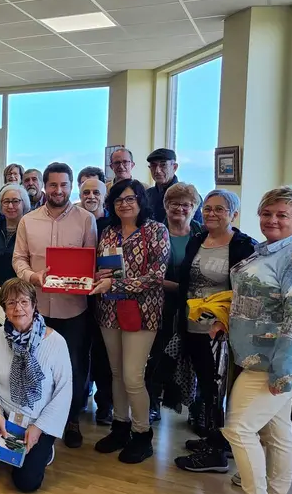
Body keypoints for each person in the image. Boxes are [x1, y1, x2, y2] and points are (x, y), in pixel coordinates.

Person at [219, 186, 292, 494]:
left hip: (275, 362)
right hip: (259, 357)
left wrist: (283, 371)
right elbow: (260, 301)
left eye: (282, 215)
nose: (272, 220)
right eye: (267, 213)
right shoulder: (272, 250)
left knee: (239, 430)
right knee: (278, 433)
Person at [0, 278, 72, 493]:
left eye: (23, 302)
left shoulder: (56, 342)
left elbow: (64, 392)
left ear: (34, 305)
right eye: (11, 303)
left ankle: (43, 449)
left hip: (38, 419)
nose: (18, 308)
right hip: (4, 410)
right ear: (4, 309)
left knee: (26, 484)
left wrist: (38, 428)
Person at [13, 162, 96, 449]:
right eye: (53, 185)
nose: (58, 190)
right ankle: (38, 420)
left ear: (71, 186)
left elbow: (92, 263)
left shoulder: (86, 220)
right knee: (37, 367)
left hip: (74, 309)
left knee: (72, 368)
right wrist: (32, 276)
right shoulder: (28, 220)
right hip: (38, 310)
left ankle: (70, 420)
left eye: (63, 185)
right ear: (45, 186)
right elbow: (18, 259)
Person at [173, 189, 256, 473]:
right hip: (193, 325)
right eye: (207, 208)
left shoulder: (244, 245)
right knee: (205, 388)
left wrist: (225, 322)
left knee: (217, 388)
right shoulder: (198, 239)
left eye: (219, 209)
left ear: (233, 214)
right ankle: (213, 438)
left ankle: (217, 453)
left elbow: (247, 292)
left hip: (221, 332)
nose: (211, 214)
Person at [90, 179, 169, 464]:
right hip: (109, 311)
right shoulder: (108, 232)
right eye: (119, 199)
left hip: (142, 313)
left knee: (133, 376)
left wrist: (115, 284)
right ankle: (120, 426)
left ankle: (142, 434)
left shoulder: (156, 230)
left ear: (141, 201)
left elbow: (156, 276)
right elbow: (103, 269)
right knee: (115, 373)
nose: (124, 204)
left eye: (130, 198)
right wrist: (102, 279)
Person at [148, 182, 203, 423]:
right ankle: (153, 404)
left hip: (195, 309)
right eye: (174, 204)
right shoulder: (154, 233)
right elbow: (149, 276)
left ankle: (196, 409)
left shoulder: (202, 234)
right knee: (156, 357)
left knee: (195, 359)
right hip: (158, 306)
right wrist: (181, 290)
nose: (179, 209)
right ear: (165, 206)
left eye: (186, 204)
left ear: (194, 208)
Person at [78, 176, 112, 424]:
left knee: (103, 354)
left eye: (96, 193)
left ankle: (105, 405)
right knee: (80, 352)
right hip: (78, 297)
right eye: (86, 192)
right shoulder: (76, 221)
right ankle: (78, 400)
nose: (91, 197)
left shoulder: (112, 225)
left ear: (104, 197)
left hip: (107, 298)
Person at [0, 184, 31, 285]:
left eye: (15, 201)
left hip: (22, 290)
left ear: (24, 204)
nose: (10, 206)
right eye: (6, 201)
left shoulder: (31, 230)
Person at [145, 148, 203, 224]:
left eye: (163, 165)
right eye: (153, 165)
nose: (157, 170)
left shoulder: (189, 195)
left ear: (174, 167)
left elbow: (197, 228)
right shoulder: (147, 194)